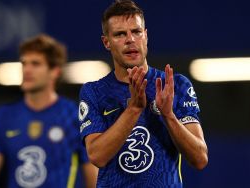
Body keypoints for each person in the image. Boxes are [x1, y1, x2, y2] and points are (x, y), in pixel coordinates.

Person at [78, 0, 208, 187]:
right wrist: (134, 109)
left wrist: (169, 115)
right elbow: (97, 156)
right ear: (106, 42)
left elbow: (200, 158)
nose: (130, 39)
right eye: (120, 34)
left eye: (136, 32)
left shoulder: (175, 84)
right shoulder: (93, 91)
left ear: (145, 36)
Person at [0, 34, 97, 188]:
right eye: (24, 63)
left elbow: (94, 177)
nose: (27, 70)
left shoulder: (75, 115)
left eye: (35, 64)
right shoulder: (4, 116)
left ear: (55, 71)